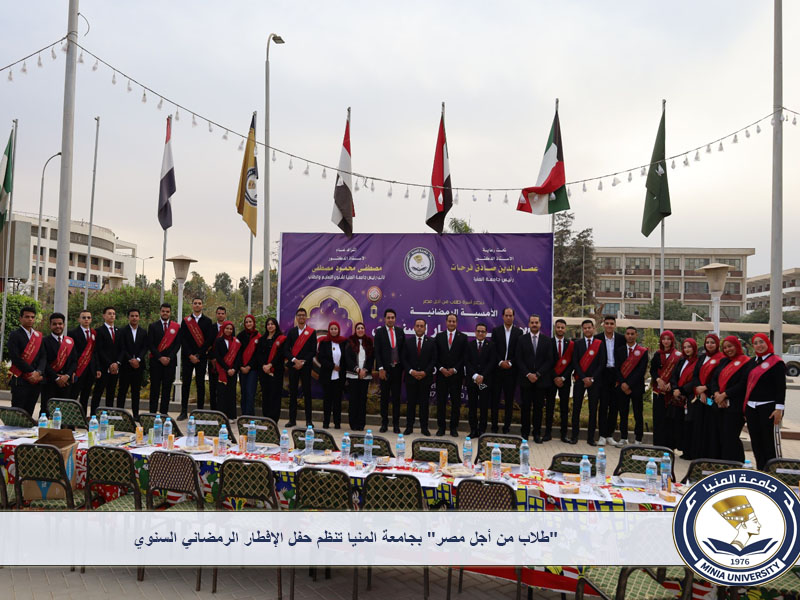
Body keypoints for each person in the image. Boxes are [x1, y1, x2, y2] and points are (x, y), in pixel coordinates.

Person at [744, 333, 787, 470]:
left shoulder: (776, 363)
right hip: (751, 407)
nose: (759, 345)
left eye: (761, 342)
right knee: (756, 442)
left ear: (767, 343)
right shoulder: (752, 362)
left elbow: (781, 388)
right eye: (755, 343)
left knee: (768, 442)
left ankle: (772, 471)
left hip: (768, 408)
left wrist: (779, 409)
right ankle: (760, 470)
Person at [710, 336, 751, 462]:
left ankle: (736, 464)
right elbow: (714, 379)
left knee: (731, 438)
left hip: (735, 407)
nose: (728, 349)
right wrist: (717, 394)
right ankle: (722, 464)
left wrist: (725, 394)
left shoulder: (746, 362)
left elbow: (743, 383)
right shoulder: (723, 361)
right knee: (720, 437)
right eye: (725, 347)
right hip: (719, 405)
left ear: (737, 346)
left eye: (730, 346)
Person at [516, 314, 554, 442]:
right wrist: (528, 374)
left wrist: (537, 374)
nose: (534, 325)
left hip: (540, 381)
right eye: (532, 322)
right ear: (528, 324)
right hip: (525, 380)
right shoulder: (521, 340)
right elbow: (519, 359)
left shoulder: (547, 340)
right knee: (525, 408)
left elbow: (549, 360)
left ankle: (536, 433)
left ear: (540, 324)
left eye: (536, 322)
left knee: (538, 409)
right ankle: (525, 433)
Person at [571, 319, 607, 445]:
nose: (587, 330)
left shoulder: (599, 344)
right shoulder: (577, 343)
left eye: (589, 327)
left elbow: (602, 363)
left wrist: (592, 378)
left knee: (593, 409)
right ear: (583, 329)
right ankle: (574, 436)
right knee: (576, 408)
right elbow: (575, 362)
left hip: (595, 382)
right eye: (585, 328)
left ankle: (591, 438)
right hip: (580, 380)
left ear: (593, 328)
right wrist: (583, 377)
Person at [179, 297, 214, 420]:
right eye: (195, 303)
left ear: (202, 305)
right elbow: (183, 339)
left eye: (199, 303)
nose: (197, 305)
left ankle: (199, 412)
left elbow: (209, 340)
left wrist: (198, 355)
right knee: (186, 384)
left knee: (200, 385)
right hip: (187, 358)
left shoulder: (208, 321)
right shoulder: (186, 321)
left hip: (201, 358)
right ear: (192, 305)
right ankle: (183, 411)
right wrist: (190, 355)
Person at [8, 306, 46, 416]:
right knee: (17, 413)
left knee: (29, 413)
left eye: (32, 317)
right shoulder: (14, 335)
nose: (30, 319)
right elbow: (15, 357)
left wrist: (38, 372)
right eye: (27, 317)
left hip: (35, 381)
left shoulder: (38, 336)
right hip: (20, 380)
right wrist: (32, 372)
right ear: (20, 318)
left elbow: (43, 356)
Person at [490, 308, 523, 433]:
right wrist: (500, 362)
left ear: (514, 317)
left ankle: (506, 427)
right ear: (503, 316)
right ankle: (494, 426)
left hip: (511, 372)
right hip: (497, 372)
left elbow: (519, 352)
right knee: (495, 400)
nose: (509, 317)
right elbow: (493, 350)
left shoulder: (519, 332)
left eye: (511, 315)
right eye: (506, 315)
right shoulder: (496, 331)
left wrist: (510, 362)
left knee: (509, 401)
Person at [691, 334, 724, 460]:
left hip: (712, 398)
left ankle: (711, 455)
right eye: (707, 342)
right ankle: (698, 454)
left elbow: (719, 378)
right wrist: (700, 391)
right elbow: (695, 376)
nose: (710, 345)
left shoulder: (721, 358)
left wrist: (706, 388)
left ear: (717, 344)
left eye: (712, 342)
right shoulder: (701, 358)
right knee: (699, 424)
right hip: (700, 397)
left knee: (710, 425)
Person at [434, 313, 467, 437]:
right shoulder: (439, 336)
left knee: (456, 403)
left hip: (456, 376)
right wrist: (441, 368)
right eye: (450, 321)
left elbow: (464, 357)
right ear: (446, 322)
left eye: (454, 321)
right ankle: (441, 427)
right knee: (441, 402)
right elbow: (435, 356)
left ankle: (453, 428)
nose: (452, 323)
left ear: (456, 323)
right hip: (441, 375)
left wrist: (455, 369)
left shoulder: (463, 337)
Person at [402, 318, 436, 436]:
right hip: (411, 378)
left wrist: (425, 372)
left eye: (422, 326)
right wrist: (411, 371)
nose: (420, 328)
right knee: (410, 404)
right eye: (417, 325)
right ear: (414, 327)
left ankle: (424, 428)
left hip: (425, 378)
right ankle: (409, 427)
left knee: (424, 405)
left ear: (425, 328)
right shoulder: (408, 342)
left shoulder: (431, 342)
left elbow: (433, 360)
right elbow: (404, 359)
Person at [373, 308, 405, 433]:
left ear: (395, 319)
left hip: (397, 370)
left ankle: (396, 425)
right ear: (384, 319)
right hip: (385, 371)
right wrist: (380, 368)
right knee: (384, 398)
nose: (390, 320)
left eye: (392, 318)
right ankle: (384, 424)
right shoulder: (379, 332)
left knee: (396, 398)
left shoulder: (400, 331)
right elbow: (377, 352)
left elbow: (403, 351)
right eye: (388, 318)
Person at [649, 331, 683, 448]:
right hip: (658, 391)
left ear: (672, 340)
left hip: (671, 392)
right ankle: (658, 445)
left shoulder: (678, 356)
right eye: (664, 339)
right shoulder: (657, 354)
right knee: (658, 418)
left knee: (670, 419)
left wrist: (671, 384)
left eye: (668, 339)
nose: (666, 341)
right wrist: (658, 379)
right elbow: (652, 370)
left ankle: (670, 446)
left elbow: (679, 373)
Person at [284, 307, 317, 427]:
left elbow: (313, 351)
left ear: (306, 317)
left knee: (307, 393)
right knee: (293, 393)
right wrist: (294, 360)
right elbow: (286, 350)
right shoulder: (291, 332)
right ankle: (292, 420)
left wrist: (302, 362)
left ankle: (309, 421)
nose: (301, 317)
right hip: (293, 366)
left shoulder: (312, 332)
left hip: (306, 367)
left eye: (303, 315)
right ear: (296, 318)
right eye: (299, 315)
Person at [616, 326, 649, 446]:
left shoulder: (643, 351)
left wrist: (629, 384)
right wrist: (623, 383)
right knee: (623, 413)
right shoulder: (619, 350)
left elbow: (641, 370)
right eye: (628, 334)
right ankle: (623, 437)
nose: (630, 336)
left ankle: (638, 439)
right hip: (622, 387)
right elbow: (617, 368)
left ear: (636, 335)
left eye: (632, 334)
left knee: (638, 413)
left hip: (636, 387)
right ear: (625, 335)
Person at [598, 315, 626, 446]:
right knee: (603, 406)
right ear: (603, 324)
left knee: (614, 406)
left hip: (616, 375)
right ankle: (602, 435)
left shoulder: (621, 339)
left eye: (611, 323)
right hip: (603, 374)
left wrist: (620, 378)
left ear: (615, 325)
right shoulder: (598, 338)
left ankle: (610, 434)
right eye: (607, 323)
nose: (609, 325)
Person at [116, 308, 148, 420]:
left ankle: (135, 414)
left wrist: (138, 359)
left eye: (136, 316)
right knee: (122, 390)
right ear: (128, 317)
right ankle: (120, 413)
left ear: (139, 317)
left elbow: (145, 347)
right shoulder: (122, 331)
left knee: (136, 391)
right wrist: (130, 360)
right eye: (132, 316)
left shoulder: (143, 332)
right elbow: (122, 347)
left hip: (138, 366)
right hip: (126, 365)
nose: (134, 318)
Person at [148, 303, 180, 415]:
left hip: (170, 363)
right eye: (163, 311)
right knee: (154, 389)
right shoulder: (153, 326)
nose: (165, 313)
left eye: (167, 311)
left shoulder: (176, 327)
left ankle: (164, 413)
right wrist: (160, 357)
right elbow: (150, 344)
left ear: (170, 313)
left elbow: (177, 344)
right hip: (156, 362)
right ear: (160, 312)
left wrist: (169, 357)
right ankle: (152, 413)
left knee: (167, 389)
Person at [464, 323, 495, 438]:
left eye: (483, 331)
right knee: (472, 406)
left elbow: (492, 362)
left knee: (483, 406)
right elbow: (466, 362)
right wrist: (475, 375)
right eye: (478, 331)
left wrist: (482, 376)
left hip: (484, 382)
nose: (480, 333)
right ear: (475, 332)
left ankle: (482, 430)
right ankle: (473, 430)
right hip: (472, 381)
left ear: (486, 333)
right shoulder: (469, 345)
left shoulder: (491, 345)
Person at [41, 312, 76, 413]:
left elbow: (74, 361)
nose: (58, 326)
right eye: (54, 324)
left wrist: (67, 376)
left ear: (64, 325)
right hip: (50, 382)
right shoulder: (44, 341)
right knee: (46, 411)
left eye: (60, 324)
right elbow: (44, 362)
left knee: (64, 412)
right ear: (50, 325)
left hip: (66, 382)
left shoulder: (70, 341)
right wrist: (56, 378)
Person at [670, 338, 699, 457]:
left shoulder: (698, 361)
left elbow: (696, 379)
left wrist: (681, 390)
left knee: (689, 424)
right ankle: (681, 447)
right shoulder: (682, 360)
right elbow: (674, 376)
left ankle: (689, 451)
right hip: (678, 397)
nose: (687, 349)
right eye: (685, 347)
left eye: (689, 347)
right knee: (678, 423)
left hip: (690, 397)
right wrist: (675, 388)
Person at [548, 319, 575, 443]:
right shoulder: (548, 342)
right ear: (555, 328)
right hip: (551, 380)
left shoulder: (570, 344)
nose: (560, 329)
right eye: (558, 327)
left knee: (564, 408)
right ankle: (547, 433)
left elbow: (572, 363)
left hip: (565, 381)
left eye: (562, 327)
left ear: (565, 329)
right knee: (550, 407)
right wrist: (555, 377)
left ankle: (564, 435)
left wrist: (563, 377)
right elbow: (547, 361)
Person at [91, 306, 121, 415]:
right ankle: (93, 414)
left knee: (111, 392)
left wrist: (117, 363)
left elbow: (122, 349)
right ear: (104, 316)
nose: (112, 315)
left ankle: (109, 414)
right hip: (103, 367)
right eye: (109, 313)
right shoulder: (99, 331)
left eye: (113, 314)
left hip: (115, 368)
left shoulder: (118, 331)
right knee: (98, 392)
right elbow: (99, 350)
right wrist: (109, 364)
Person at [69, 309, 100, 417]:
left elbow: (95, 352)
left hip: (90, 369)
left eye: (88, 317)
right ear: (79, 319)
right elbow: (72, 353)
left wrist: (97, 368)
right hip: (78, 369)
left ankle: (82, 417)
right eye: (84, 317)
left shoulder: (94, 333)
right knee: (74, 394)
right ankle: (71, 417)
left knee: (86, 395)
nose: (86, 319)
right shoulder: (72, 333)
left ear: (91, 319)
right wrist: (72, 370)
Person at [345, 322, 374, 431]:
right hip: (353, 375)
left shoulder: (369, 342)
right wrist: (357, 369)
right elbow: (347, 358)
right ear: (355, 330)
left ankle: (361, 424)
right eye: (358, 328)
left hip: (365, 376)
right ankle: (353, 423)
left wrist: (364, 370)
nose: (360, 330)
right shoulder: (350, 341)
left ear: (364, 330)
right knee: (353, 400)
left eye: (362, 328)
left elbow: (371, 358)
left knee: (362, 400)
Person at [256, 318, 286, 423]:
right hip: (264, 371)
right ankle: (266, 418)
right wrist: (264, 366)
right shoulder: (262, 339)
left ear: (276, 325)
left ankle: (273, 419)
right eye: (268, 324)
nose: (270, 326)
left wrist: (271, 365)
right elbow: (258, 354)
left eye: (272, 324)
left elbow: (280, 354)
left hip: (276, 371)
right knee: (266, 394)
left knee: (275, 395)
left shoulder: (281, 339)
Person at [317, 321, 346, 429]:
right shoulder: (324, 342)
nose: (334, 331)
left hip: (339, 376)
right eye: (332, 329)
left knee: (337, 401)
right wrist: (332, 366)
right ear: (329, 330)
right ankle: (326, 422)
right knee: (327, 400)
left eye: (335, 329)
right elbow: (321, 358)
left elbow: (346, 358)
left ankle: (337, 423)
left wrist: (340, 367)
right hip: (327, 375)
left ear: (338, 330)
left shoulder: (343, 342)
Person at [213, 321, 240, 419]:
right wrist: (227, 369)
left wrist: (234, 369)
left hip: (233, 372)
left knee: (231, 394)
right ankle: (221, 416)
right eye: (227, 328)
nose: (229, 330)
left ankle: (231, 416)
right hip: (222, 371)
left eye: (231, 329)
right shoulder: (218, 341)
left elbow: (238, 357)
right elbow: (218, 356)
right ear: (223, 329)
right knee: (221, 394)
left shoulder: (236, 342)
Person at [237, 315, 260, 416]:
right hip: (242, 369)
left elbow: (257, 355)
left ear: (253, 323)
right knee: (244, 393)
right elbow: (237, 352)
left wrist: (249, 366)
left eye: (250, 322)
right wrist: (241, 366)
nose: (248, 324)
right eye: (246, 322)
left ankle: (250, 416)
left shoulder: (258, 336)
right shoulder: (240, 336)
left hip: (253, 369)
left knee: (250, 393)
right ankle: (244, 415)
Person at [208, 306, 228, 411]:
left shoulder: (229, 328)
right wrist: (212, 358)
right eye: (219, 313)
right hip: (212, 362)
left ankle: (222, 411)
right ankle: (213, 411)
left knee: (223, 388)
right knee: (213, 388)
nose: (220, 315)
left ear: (225, 315)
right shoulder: (211, 328)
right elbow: (208, 344)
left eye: (222, 313)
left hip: (224, 363)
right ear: (216, 315)